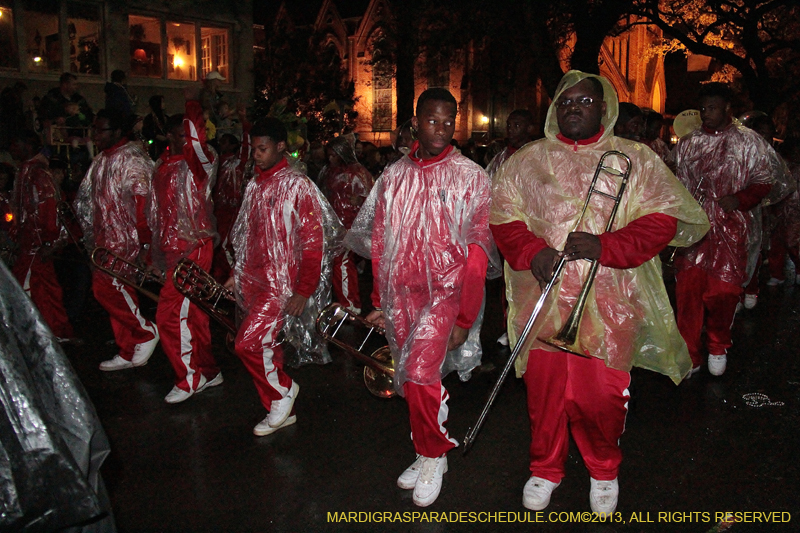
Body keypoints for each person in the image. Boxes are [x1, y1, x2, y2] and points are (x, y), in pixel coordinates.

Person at [490, 71, 708, 514]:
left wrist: (606, 246)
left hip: (611, 303)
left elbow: (661, 220)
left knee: (602, 397)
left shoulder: (636, 158)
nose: (574, 107)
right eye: (566, 101)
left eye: (585, 100)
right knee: (545, 394)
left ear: (603, 109)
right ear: (554, 109)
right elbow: (503, 217)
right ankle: (545, 468)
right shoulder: (527, 159)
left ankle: (604, 469)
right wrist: (533, 252)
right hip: (544, 298)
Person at [346, 88, 498, 507]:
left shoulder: (471, 176)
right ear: (416, 122)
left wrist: (465, 317)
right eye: (433, 120)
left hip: (446, 296)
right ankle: (425, 446)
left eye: (449, 121)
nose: (442, 129)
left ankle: (435, 453)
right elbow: (380, 240)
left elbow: (476, 254)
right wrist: (379, 298)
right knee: (411, 380)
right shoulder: (394, 176)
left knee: (418, 373)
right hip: (402, 295)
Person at [225, 117, 343, 436]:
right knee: (265, 345)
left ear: (281, 147)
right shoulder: (255, 184)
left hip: (280, 286)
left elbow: (313, 243)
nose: (256, 155)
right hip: (256, 281)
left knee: (247, 344)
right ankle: (278, 402)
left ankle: (282, 392)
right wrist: (238, 274)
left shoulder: (298, 185)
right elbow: (248, 235)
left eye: (263, 148)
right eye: (253, 149)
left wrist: (303, 290)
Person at [673, 82, 774, 376]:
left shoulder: (748, 142)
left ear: (727, 109)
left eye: (713, 108)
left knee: (724, 293)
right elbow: (677, 185)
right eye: (703, 108)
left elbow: (763, 181)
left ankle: (717, 345)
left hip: (731, 228)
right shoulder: (688, 144)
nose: (706, 114)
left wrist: (739, 199)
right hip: (695, 229)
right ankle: (690, 354)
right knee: (688, 294)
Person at [148, 86, 222, 403]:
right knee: (193, 315)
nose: (183, 141)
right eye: (177, 135)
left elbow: (198, 144)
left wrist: (194, 106)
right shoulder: (162, 166)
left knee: (169, 315)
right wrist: (154, 253)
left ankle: (189, 377)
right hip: (173, 248)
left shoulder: (198, 164)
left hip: (193, 248)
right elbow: (157, 214)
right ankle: (207, 370)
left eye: (187, 135)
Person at [74, 109, 159, 371]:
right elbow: (88, 200)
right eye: (95, 130)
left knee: (109, 288)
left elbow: (145, 205)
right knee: (113, 291)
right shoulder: (101, 160)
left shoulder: (133, 160)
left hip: (126, 240)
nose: (95, 136)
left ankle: (144, 331)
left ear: (118, 132)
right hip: (104, 238)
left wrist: (146, 245)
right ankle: (127, 347)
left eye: (101, 130)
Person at [8, 130, 74, 339]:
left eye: (15, 144)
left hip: (36, 244)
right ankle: (57, 330)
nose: (12, 150)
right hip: (32, 243)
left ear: (26, 145)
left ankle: (30, 333)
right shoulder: (28, 171)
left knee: (24, 289)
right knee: (46, 289)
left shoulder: (37, 174)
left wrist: (49, 241)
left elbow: (48, 209)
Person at [318, 135, 374, 313]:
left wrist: (359, 200)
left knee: (342, 262)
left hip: (352, 226)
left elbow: (374, 200)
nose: (331, 159)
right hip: (336, 226)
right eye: (329, 155)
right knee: (341, 262)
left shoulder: (358, 173)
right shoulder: (329, 172)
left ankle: (350, 304)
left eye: (334, 155)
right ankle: (348, 301)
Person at [211, 105, 250, 283]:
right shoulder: (217, 162)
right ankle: (219, 279)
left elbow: (247, 147)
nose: (222, 144)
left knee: (227, 246)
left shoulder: (238, 163)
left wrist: (244, 123)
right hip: (218, 211)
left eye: (226, 141)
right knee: (217, 246)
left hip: (232, 211)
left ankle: (233, 279)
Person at [485, 109, 537, 178]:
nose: (510, 129)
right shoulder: (501, 157)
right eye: (509, 125)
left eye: (516, 125)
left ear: (529, 128)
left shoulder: (537, 156)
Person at [142, 95, 169, 160]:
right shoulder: (149, 119)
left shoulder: (166, 118)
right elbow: (146, 131)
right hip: (153, 146)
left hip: (166, 146)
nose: (164, 104)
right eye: (162, 102)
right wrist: (156, 136)